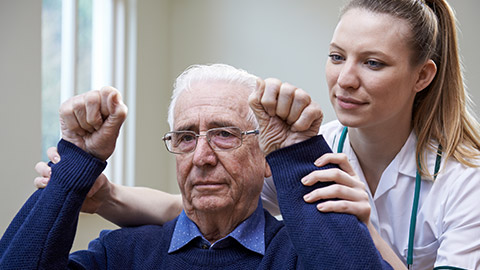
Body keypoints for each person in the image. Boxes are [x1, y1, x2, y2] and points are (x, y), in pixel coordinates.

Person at [34, 0, 480, 269]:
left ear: (422, 76)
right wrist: (100, 194)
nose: (344, 79)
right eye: (337, 56)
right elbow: (198, 201)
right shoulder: (303, 150)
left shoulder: (466, 182)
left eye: (373, 63)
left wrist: (364, 233)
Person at [0, 64, 392, 269]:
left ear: (266, 156)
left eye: (224, 134)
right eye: (186, 137)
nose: (201, 158)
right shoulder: (121, 255)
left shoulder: (301, 255)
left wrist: (295, 153)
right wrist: (77, 160)